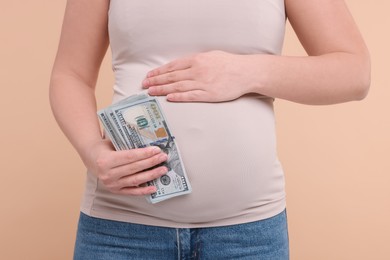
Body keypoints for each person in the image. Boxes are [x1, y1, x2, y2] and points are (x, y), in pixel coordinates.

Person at [49, 0, 370, 259]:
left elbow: (354, 73)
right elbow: (70, 74)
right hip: (121, 231)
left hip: (248, 235)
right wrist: (92, 150)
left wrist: (246, 71)